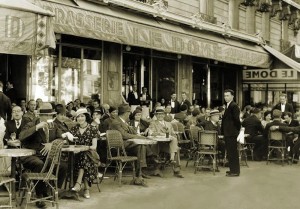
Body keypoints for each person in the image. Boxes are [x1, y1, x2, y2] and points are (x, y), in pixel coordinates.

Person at [19, 103, 67, 208]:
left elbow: (62, 139)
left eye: (51, 116)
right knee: (39, 164)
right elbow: (21, 136)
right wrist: (37, 127)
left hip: (46, 157)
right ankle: (39, 195)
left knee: (63, 166)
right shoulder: (31, 124)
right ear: (40, 116)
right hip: (31, 155)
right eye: (47, 116)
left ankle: (51, 191)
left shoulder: (53, 125)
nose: (49, 118)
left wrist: (51, 144)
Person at [110, 104, 153, 184]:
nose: (130, 114)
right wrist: (139, 137)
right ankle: (139, 174)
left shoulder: (124, 121)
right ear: (125, 113)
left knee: (141, 146)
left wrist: (140, 135)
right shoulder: (116, 122)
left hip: (127, 144)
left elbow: (132, 132)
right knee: (141, 145)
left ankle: (139, 175)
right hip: (120, 146)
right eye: (129, 112)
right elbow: (124, 135)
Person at [68, 108, 100, 199]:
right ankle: (86, 189)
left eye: (82, 116)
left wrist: (85, 148)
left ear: (86, 117)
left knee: (85, 156)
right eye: (78, 117)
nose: (80, 118)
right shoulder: (73, 129)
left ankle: (78, 183)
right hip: (75, 155)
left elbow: (94, 146)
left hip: (91, 155)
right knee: (83, 158)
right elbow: (70, 142)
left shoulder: (93, 129)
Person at [148, 109, 184, 178]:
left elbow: (173, 134)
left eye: (161, 114)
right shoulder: (153, 123)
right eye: (158, 114)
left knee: (175, 144)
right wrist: (163, 134)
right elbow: (151, 133)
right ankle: (172, 161)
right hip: (158, 145)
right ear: (156, 115)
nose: (160, 116)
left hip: (168, 145)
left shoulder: (169, 124)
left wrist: (171, 136)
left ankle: (176, 169)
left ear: (164, 115)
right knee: (175, 148)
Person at [221, 89, 241, 177]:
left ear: (232, 96)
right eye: (225, 95)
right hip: (229, 132)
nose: (226, 97)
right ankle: (233, 170)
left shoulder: (234, 106)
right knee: (230, 152)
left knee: (232, 152)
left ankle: (235, 171)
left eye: (227, 95)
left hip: (231, 132)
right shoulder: (229, 105)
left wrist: (236, 129)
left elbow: (237, 120)